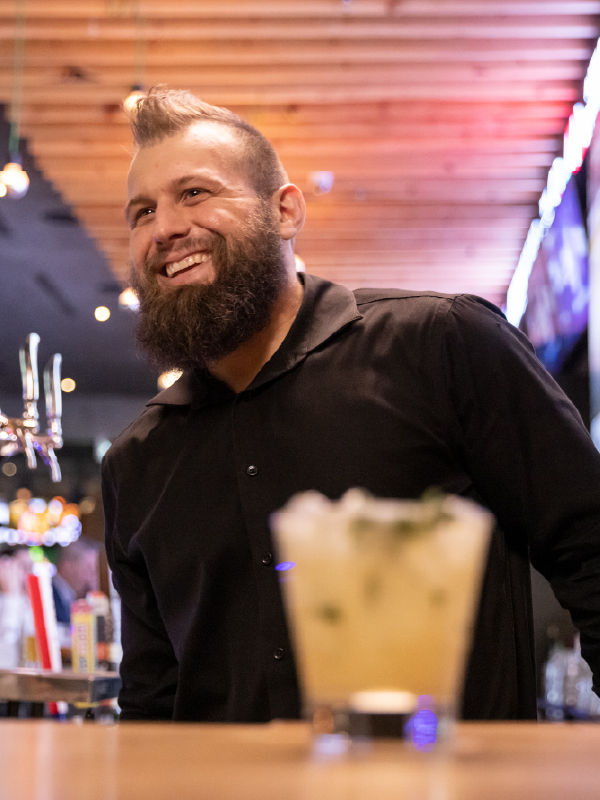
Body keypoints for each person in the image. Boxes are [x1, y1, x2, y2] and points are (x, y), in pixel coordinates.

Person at [102, 86, 600, 723]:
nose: (165, 228)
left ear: (284, 212)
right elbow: (152, 702)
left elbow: (590, 548)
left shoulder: (442, 346)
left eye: (194, 193)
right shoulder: (136, 464)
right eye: (141, 213)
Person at [52, 539, 100, 624]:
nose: (90, 579)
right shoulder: (48, 594)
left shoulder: (69, 594)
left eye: (94, 572)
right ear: (67, 567)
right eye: (88, 570)